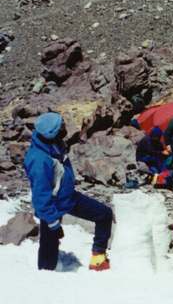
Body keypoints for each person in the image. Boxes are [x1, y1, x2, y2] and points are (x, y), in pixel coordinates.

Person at [24, 112, 113, 271]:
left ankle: (98, 258)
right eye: (61, 126)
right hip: (53, 206)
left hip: (69, 198)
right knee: (48, 256)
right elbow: (40, 196)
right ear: (52, 133)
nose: (65, 128)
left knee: (104, 214)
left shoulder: (53, 144)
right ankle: (45, 281)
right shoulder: (39, 159)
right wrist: (52, 222)